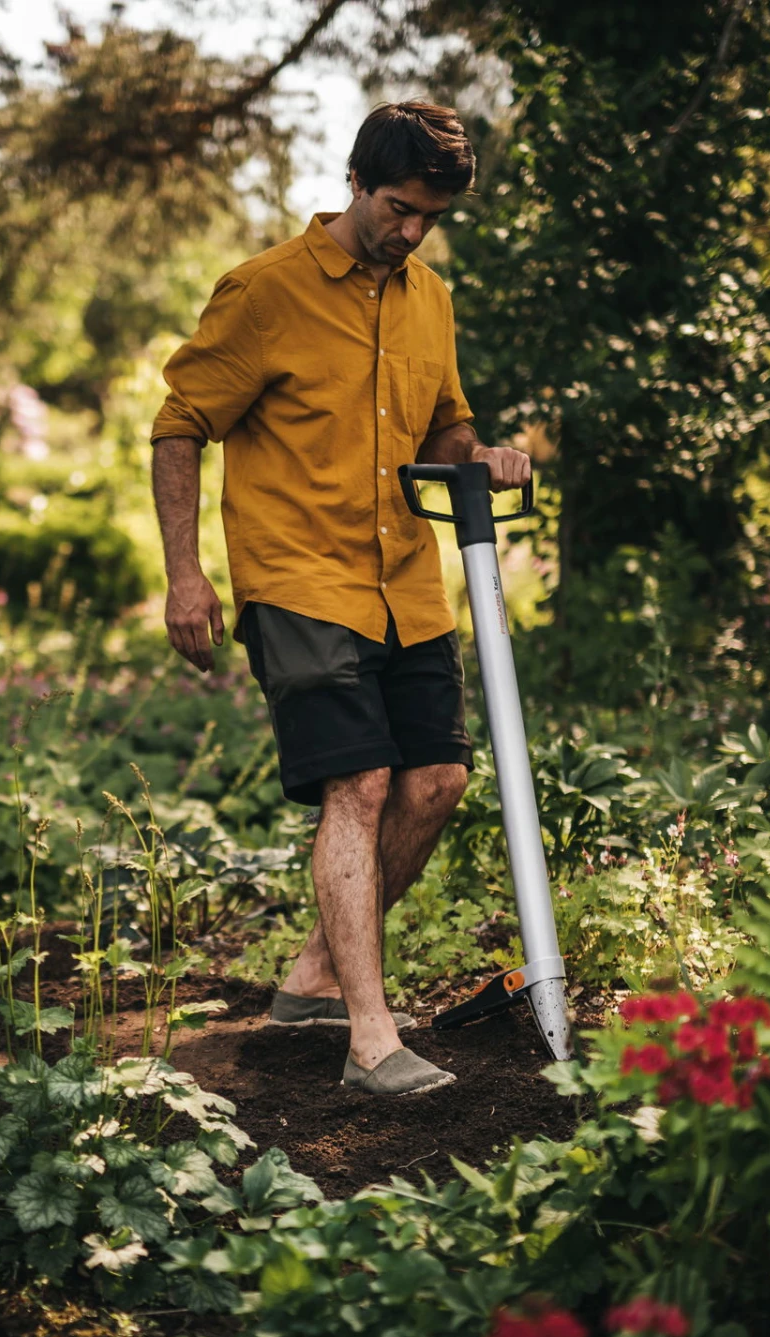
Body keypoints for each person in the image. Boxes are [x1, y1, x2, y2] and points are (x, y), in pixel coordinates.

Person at [149, 100, 530, 1097]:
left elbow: (444, 430)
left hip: (406, 579)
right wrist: (185, 573)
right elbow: (180, 425)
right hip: (299, 576)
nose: (412, 231)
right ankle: (370, 1039)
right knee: (358, 784)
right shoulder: (264, 290)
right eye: (399, 208)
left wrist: (480, 455)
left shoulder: (430, 298)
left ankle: (316, 976)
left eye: (430, 218)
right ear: (357, 181)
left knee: (435, 782)